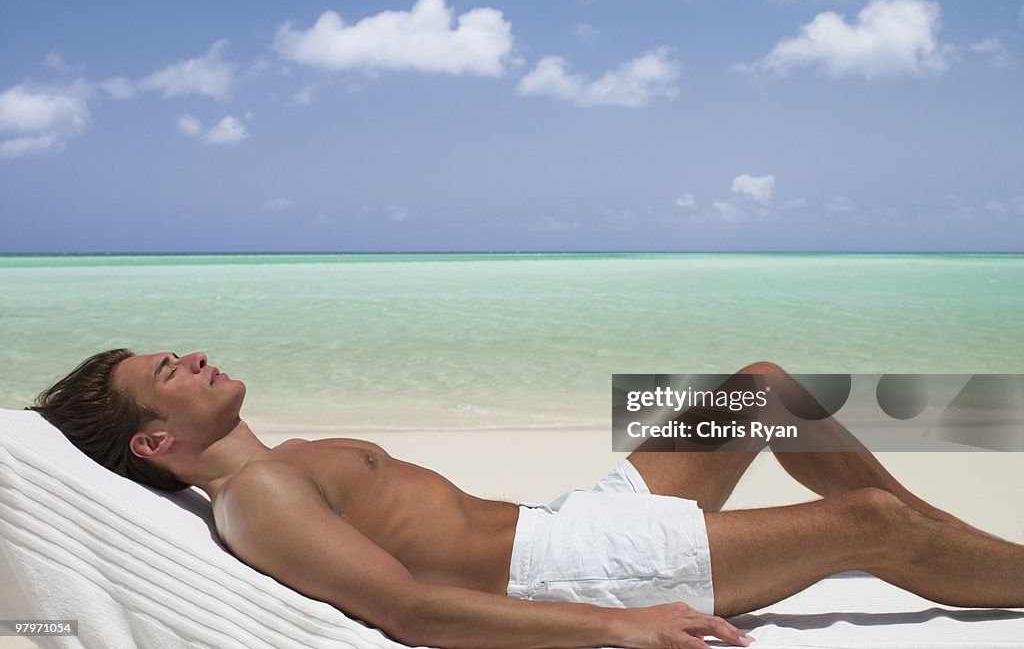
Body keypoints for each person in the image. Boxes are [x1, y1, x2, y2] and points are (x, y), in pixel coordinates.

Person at [28, 349, 1024, 649]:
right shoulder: (257, 496)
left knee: (758, 390)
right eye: (169, 371)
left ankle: (938, 542)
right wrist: (610, 629)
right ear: (157, 441)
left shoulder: (284, 461)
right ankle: (938, 546)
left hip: (569, 521)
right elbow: (403, 610)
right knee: (872, 529)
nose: (193, 356)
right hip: (576, 568)